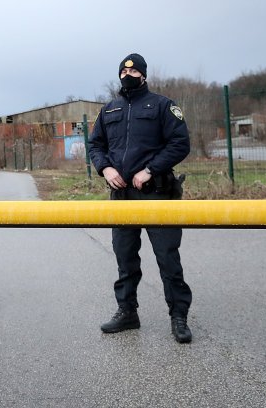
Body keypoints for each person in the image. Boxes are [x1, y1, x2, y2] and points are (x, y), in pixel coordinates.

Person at [87, 53, 193, 343]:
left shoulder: (162, 106)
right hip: (121, 196)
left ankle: (179, 316)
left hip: (157, 193)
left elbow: (180, 144)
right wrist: (105, 167)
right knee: (124, 257)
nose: (127, 75)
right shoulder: (109, 110)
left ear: (144, 75)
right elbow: (95, 145)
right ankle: (127, 312)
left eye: (133, 72)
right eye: (123, 72)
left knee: (167, 258)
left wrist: (150, 169)